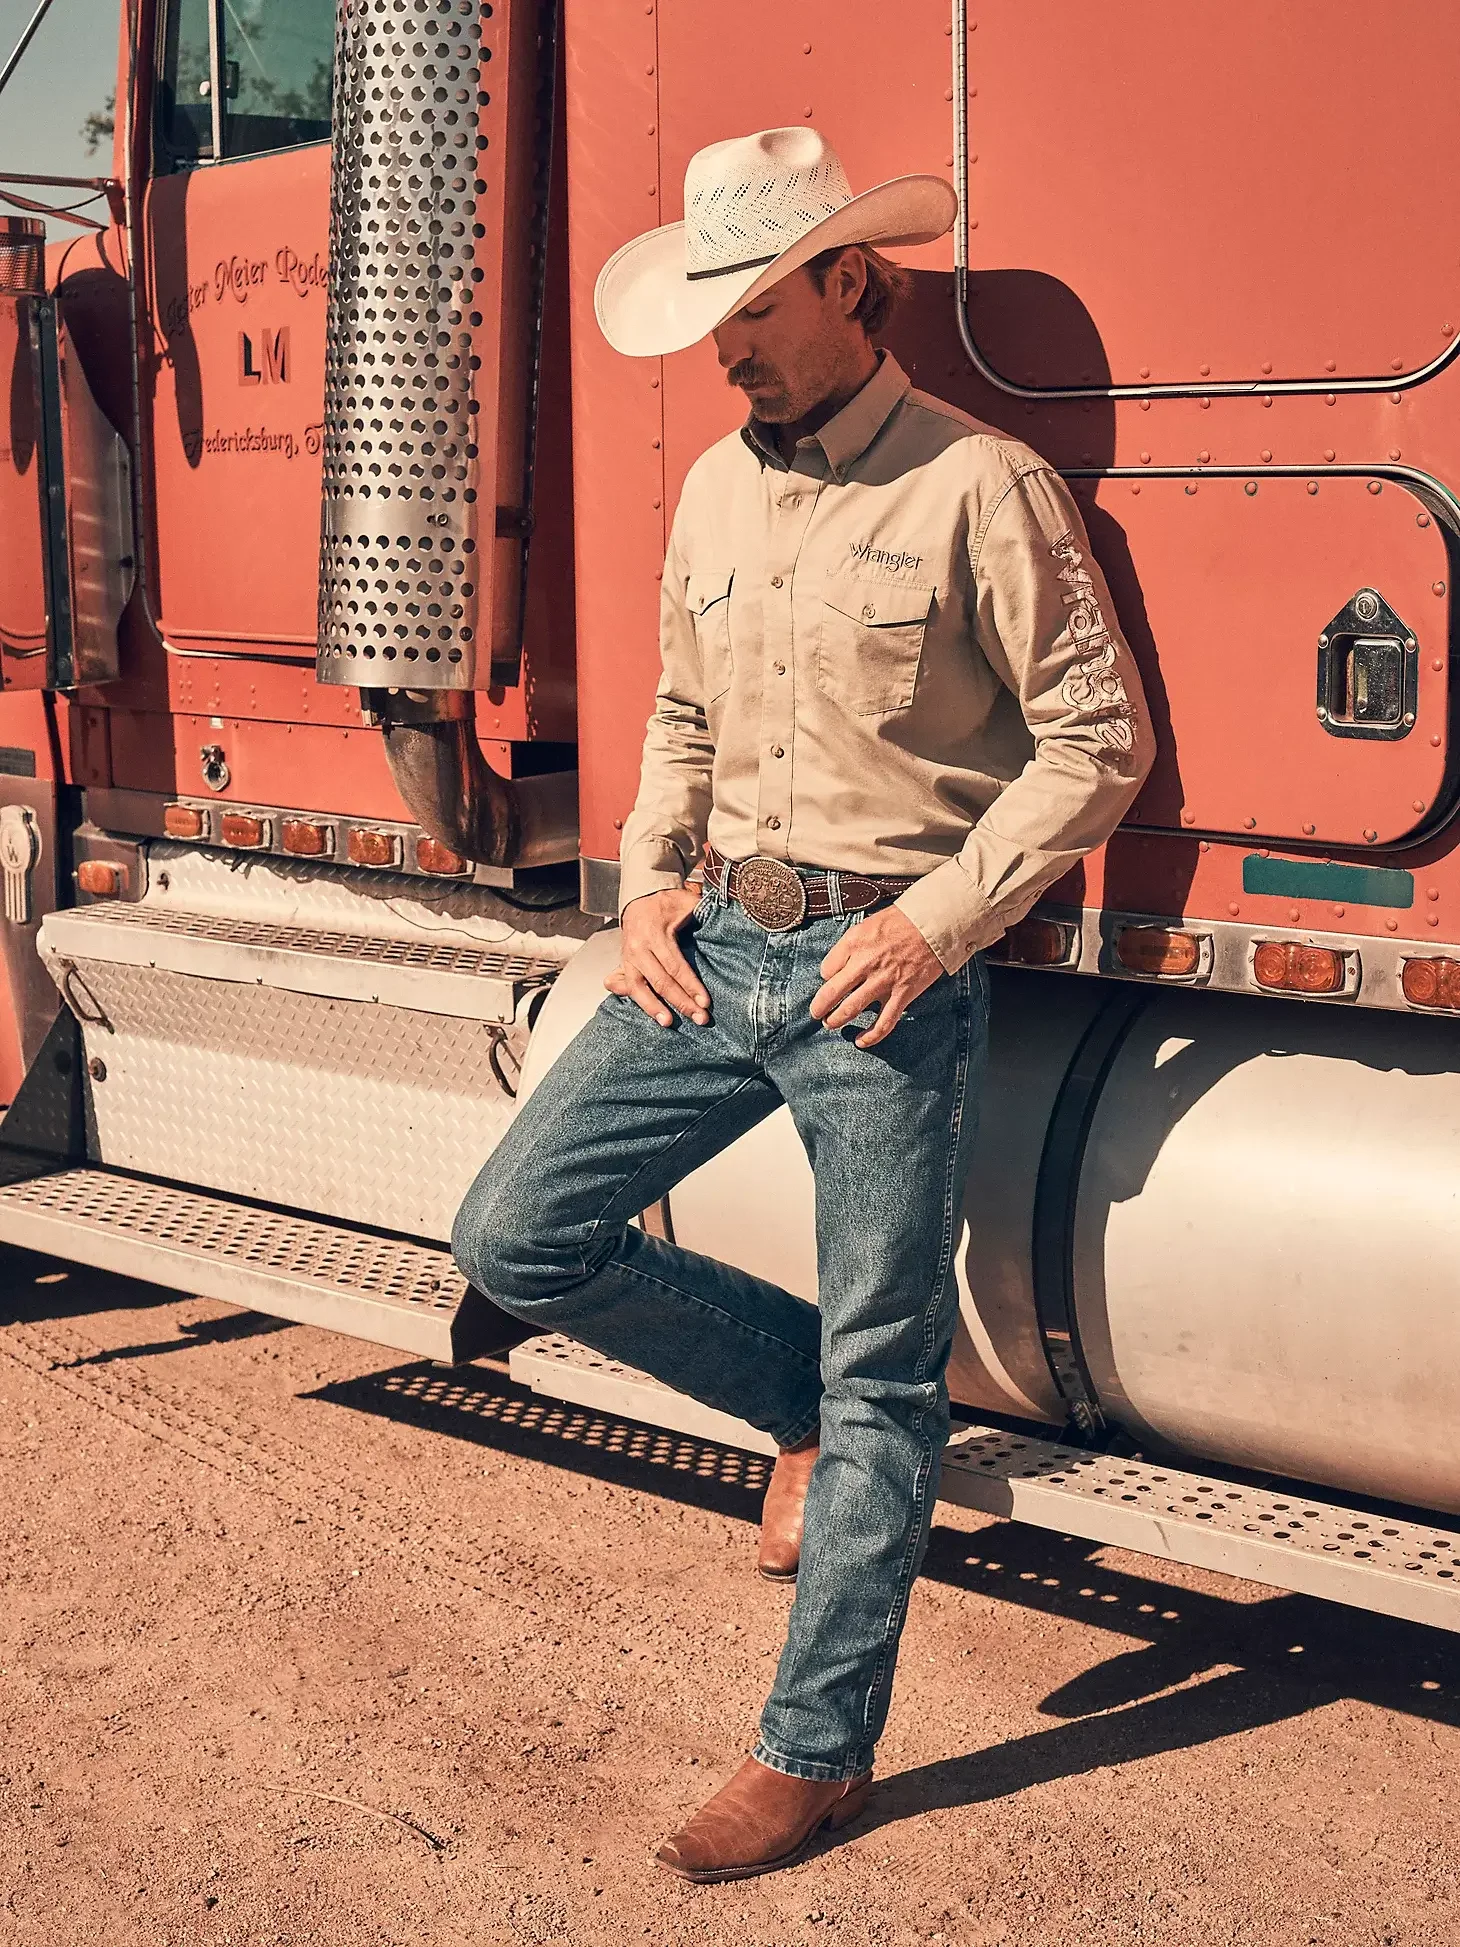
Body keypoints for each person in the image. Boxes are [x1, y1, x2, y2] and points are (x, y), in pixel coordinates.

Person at [452, 126, 1155, 1882]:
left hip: (878, 978)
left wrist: (935, 925)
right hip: (712, 952)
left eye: (754, 307)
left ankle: (814, 1749)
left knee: (888, 1366)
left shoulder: (980, 484)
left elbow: (1099, 741)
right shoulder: (711, 487)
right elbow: (679, 717)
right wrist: (641, 885)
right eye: (715, 316)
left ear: (854, 281)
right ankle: (811, 1414)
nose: (728, 348)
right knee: (513, 1234)